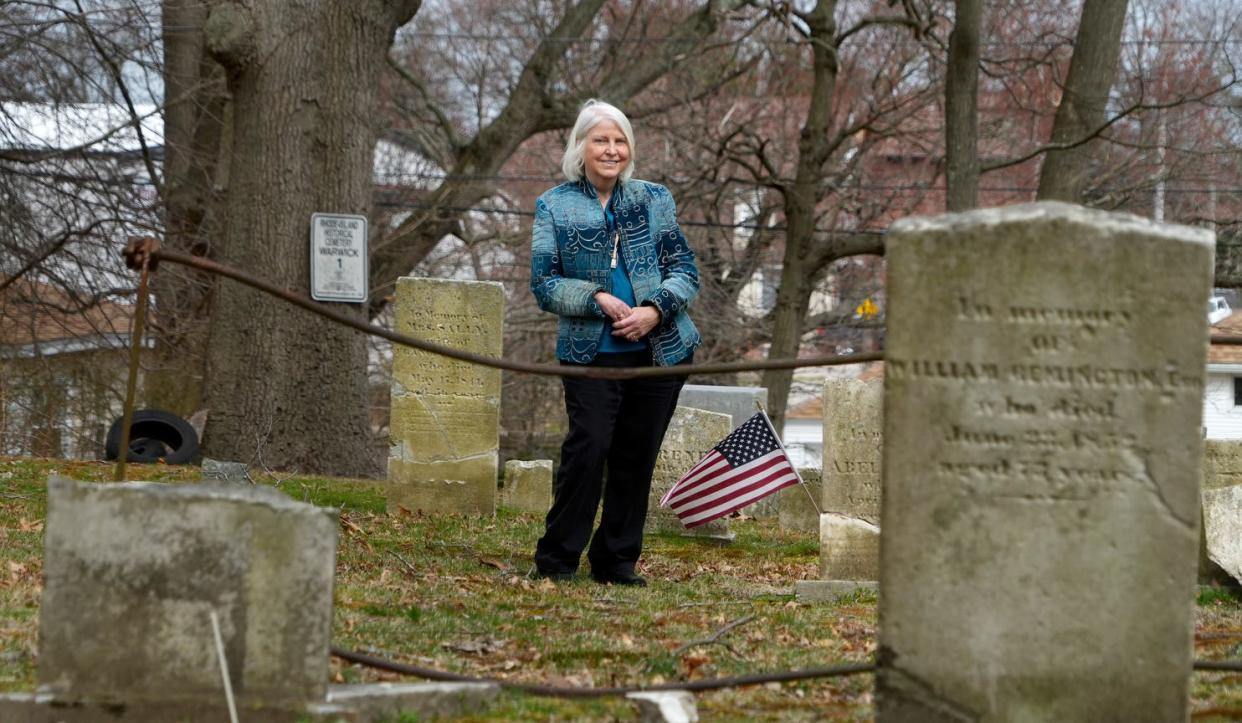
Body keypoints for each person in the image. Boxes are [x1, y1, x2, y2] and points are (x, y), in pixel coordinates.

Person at [529, 99, 700, 586]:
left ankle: (616, 561)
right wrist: (596, 298)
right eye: (601, 140)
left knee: (636, 455)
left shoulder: (654, 199)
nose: (611, 149)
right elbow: (544, 284)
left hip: (662, 351)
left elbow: (685, 271)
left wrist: (654, 310)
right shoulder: (554, 205)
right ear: (580, 147)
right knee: (589, 449)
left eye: (619, 140)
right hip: (590, 353)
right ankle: (557, 558)